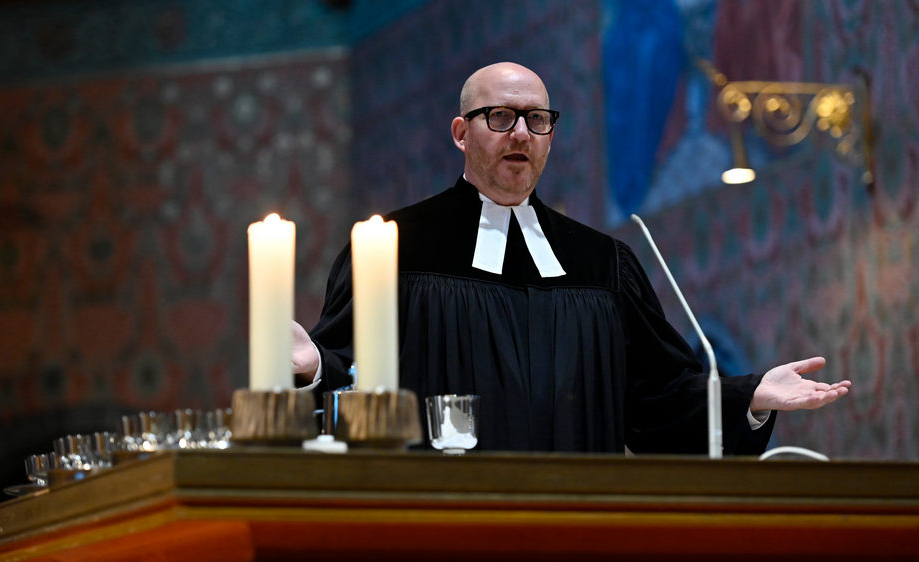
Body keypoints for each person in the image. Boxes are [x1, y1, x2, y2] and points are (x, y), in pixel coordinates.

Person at [290, 62, 851, 454]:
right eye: (501, 117)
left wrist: (748, 395)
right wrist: (312, 365)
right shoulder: (392, 247)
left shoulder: (602, 263)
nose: (522, 134)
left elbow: (658, 398)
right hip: (440, 519)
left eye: (537, 120)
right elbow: (350, 379)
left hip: (579, 520)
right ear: (462, 133)